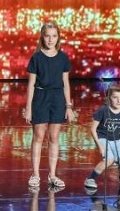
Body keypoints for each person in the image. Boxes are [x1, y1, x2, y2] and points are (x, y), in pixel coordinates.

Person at [24, 22, 76, 189]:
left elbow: (66, 83)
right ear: (42, 37)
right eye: (47, 36)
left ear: (58, 37)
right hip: (40, 97)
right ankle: (35, 174)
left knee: (54, 137)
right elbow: (31, 84)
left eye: (54, 36)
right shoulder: (36, 58)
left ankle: (52, 175)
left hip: (57, 98)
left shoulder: (63, 58)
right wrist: (28, 108)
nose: (50, 39)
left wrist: (69, 106)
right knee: (38, 136)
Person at [84, 84, 120, 190]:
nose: (119, 101)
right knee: (109, 159)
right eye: (115, 97)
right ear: (109, 98)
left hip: (117, 140)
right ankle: (90, 179)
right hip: (103, 138)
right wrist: (100, 146)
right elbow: (93, 129)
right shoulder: (103, 110)